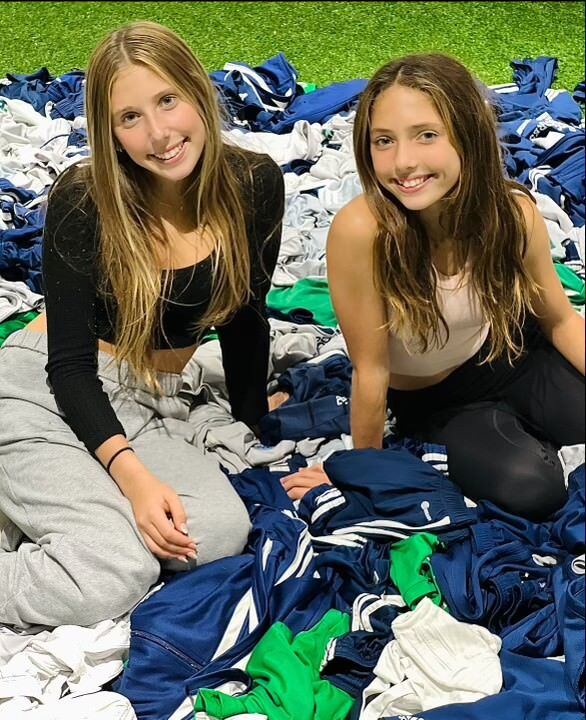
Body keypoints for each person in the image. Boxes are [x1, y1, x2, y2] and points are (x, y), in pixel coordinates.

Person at [0, 21, 285, 628]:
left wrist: (252, 418)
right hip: (45, 388)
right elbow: (70, 367)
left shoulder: (255, 182)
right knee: (112, 572)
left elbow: (244, 316)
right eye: (129, 118)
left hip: (150, 401)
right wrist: (131, 479)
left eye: (167, 100)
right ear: (109, 132)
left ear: (197, 93)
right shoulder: (85, 197)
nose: (158, 134)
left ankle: (37, 509)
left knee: (217, 530)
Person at [282, 53, 584, 521]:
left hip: (513, 354)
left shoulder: (512, 214)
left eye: (426, 135)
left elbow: (561, 319)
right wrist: (365, 469)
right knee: (535, 492)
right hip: (437, 399)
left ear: (467, 135)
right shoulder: (362, 232)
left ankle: (527, 425)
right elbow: (372, 369)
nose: (404, 162)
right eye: (384, 141)